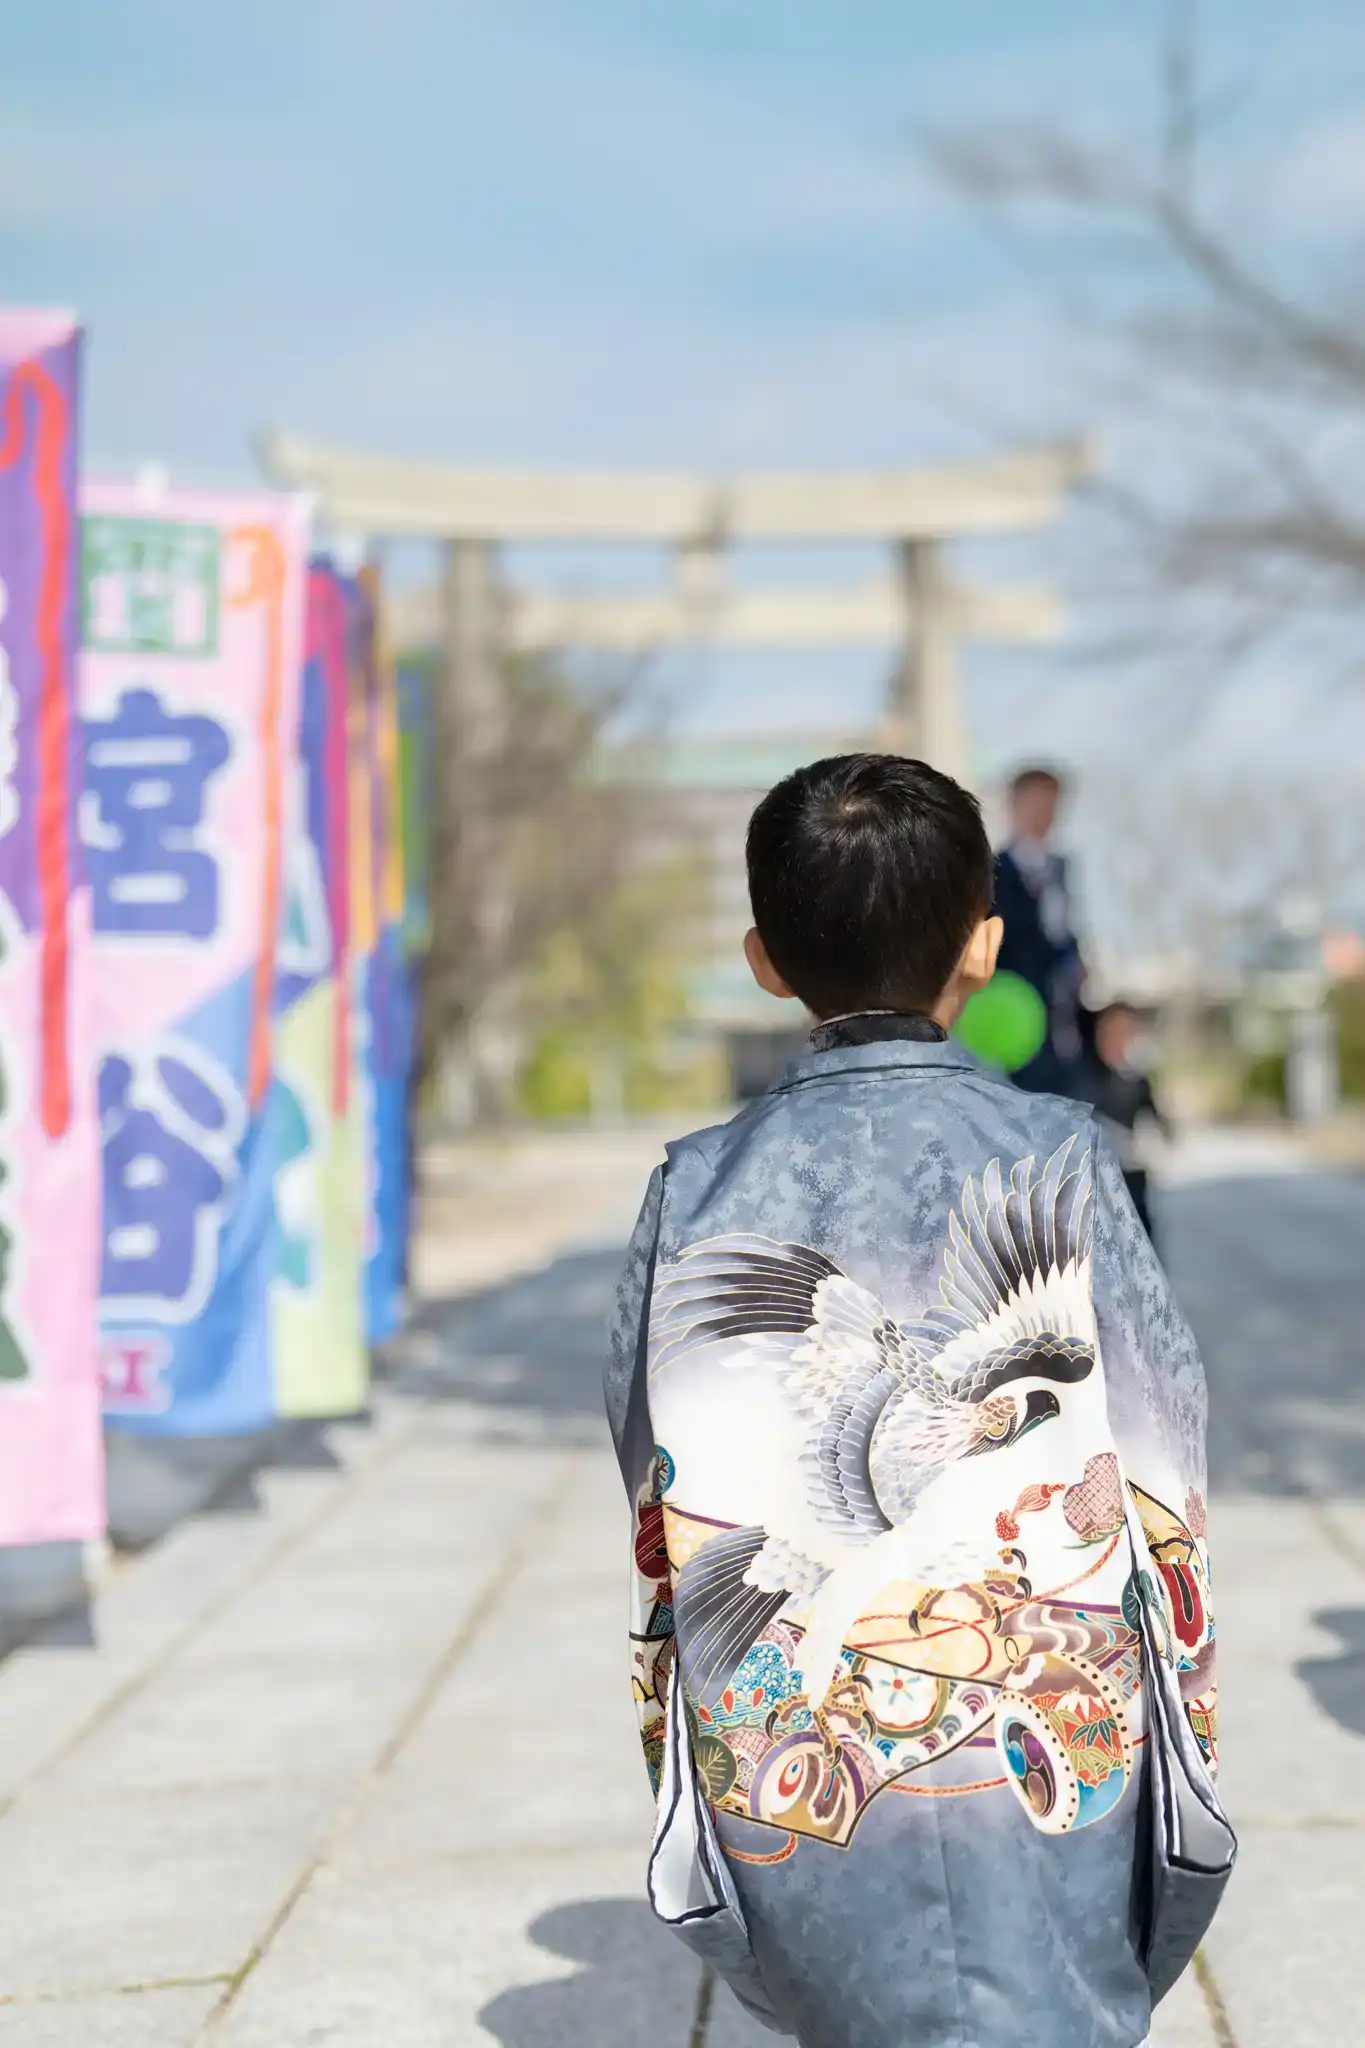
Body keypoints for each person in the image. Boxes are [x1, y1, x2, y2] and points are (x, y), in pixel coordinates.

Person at [605, 754, 1231, 2048]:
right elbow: (1165, 1434)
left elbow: (644, 1446)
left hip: (809, 1738)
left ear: (764, 961)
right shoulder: (1060, 1154)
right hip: (1038, 1736)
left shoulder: (697, 1186)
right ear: (983, 949)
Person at [992, 766, 1089, 1094]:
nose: (1044, 816)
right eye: (1036, 805)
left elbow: (1062, 929)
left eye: (1051, 807)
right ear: (1014, 806)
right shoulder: (993, 872)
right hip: (1016, 1014)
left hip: (1062, 1017)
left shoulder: (1061, 868)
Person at [1079, 1002, 1171, 1247]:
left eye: (1125, 1031)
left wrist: (1151, 1142)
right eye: (1111, 1031)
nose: (1118, 1039)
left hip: (1130, 1180)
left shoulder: (1137, 1080)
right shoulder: (1083, 1077)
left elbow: (1157, 1122)